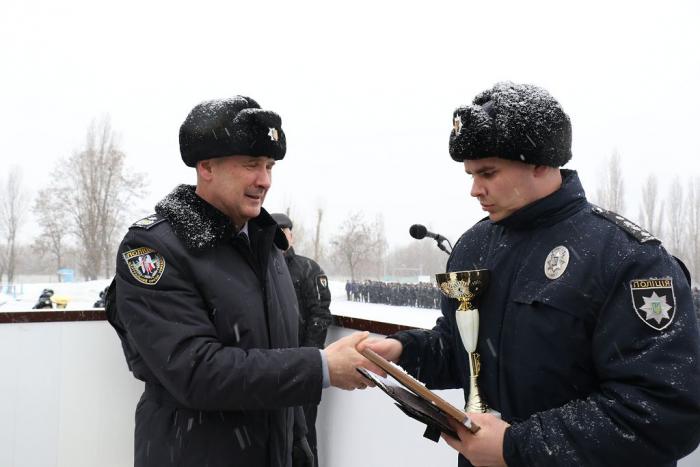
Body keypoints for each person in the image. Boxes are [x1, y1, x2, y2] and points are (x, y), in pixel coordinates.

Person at [361, 82, 700, 466]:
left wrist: (516, 447)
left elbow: (664, 411)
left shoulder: (626, 258)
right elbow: (466, 352)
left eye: (488, 173)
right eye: (470, 174)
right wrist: (403, 352)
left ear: (540, 162)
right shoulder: (473, 247)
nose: (475, 189)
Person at [105, 96, 379, 467]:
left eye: (269, 166)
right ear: (206, 167)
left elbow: (279, 353)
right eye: (251, 165)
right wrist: (321, 368)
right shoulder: (153, 249)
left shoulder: (266, 244)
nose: (264, 180)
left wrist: (298, 445)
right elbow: (196, 371)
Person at [270, 212, 332, 467]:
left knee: (304, 437)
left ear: (291, 235)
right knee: (274, 435)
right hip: (270, 368)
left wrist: (307, 360)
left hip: (304, 368)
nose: (279, 237)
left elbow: (320, 315)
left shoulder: (308, 269)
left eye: (283, 232)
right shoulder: (261, 267)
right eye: (274, 232)